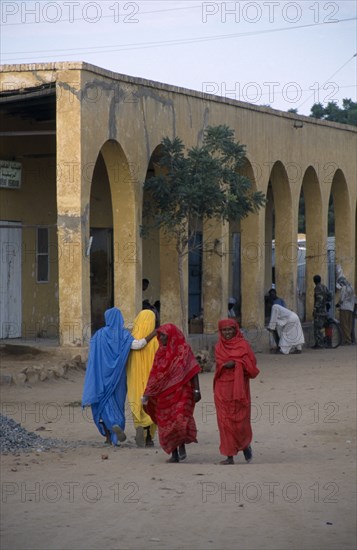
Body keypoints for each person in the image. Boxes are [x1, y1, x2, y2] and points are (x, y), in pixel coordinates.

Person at [82, 307, 156, 446]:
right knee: (117, 404)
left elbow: (92, 357)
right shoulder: (124, 335)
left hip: (101, 378)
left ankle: (109, 437)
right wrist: (153, 333)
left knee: (102, 404)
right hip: (118, 378)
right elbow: (138, 345)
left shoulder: (98, 335)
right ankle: (119, 425)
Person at [142, 324, 201, 463]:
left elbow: (193, 370)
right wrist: (147, 393)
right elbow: (155, 374)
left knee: (179, 419)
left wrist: (197, 390)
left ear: (172, 336)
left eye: (164, 335)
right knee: (166, 423)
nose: (161, 338)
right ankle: (174, 454)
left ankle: (181, 446)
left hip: (183, 392)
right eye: (160, 335)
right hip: (164, 396)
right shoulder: (160, 353)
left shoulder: (184, 350)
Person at [214, 318, 260, 465]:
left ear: (235, 330)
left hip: (239, 389)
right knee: (224, 421)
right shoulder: (218, 347)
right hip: (222, 389)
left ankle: (245, 445)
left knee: (241, 421)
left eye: (230, 329)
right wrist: (227, 365)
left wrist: (237, 363)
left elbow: (252, 368)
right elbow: (219, 365)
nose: (227, 333)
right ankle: (229, 455)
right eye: (224, 330)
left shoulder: (243, 345)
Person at [126, 309, 159, 448]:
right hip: (152, 380)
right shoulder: (158, 340)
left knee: (137, 403)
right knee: (151, 405)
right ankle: (149, 437)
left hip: (134, 378)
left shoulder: (131, 338)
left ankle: (140, 425)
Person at [335, 268, 355, 345]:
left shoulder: (344, 288)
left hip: (344, 308)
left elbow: (342, 299)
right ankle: (348, 339)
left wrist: (337, 304)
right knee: (349, 325)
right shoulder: (351, 287)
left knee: (344, 324)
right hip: (351, 308)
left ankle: (347, 340)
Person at [312, 274, 332, 349]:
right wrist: (326, 302)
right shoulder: (324, 287)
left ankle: (319, 344)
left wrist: (315, 309)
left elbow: (319, 299)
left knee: (317, 328)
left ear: (314, 281)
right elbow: (330, 296)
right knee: (325, 326)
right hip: (325, 310)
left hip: (319, 312)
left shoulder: (317, 288)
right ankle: (326, 343)